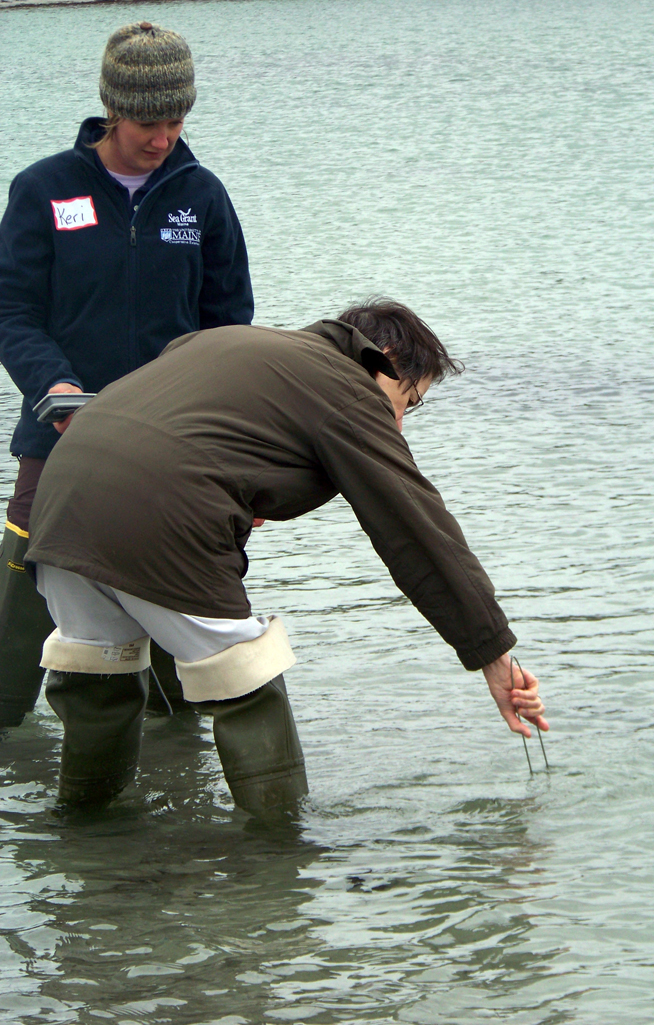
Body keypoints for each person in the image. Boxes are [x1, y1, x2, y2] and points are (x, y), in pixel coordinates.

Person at [24, 299, 548, 818]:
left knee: (100, 670)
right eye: (407, 403)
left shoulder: (227, 342)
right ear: (382, 358)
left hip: (59, 510)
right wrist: (492, 653)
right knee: (246, 673)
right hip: (159, 515)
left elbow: (192, 434)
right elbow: (418, 531)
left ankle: (82, 837)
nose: (400, 425)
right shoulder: (348, 389)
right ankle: (279, 860)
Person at [0, 21, 254, 727]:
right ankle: (5, 723)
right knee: (28, 569)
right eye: (148, 121)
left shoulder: (201, 196)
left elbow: (230, 328)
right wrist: (53, 386)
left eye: (177, 120)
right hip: (59, 429)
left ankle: (179, 736)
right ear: (113, 110)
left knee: (180, 581)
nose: (163, 138)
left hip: (176, 440)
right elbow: (12, 310)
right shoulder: (43, 189)